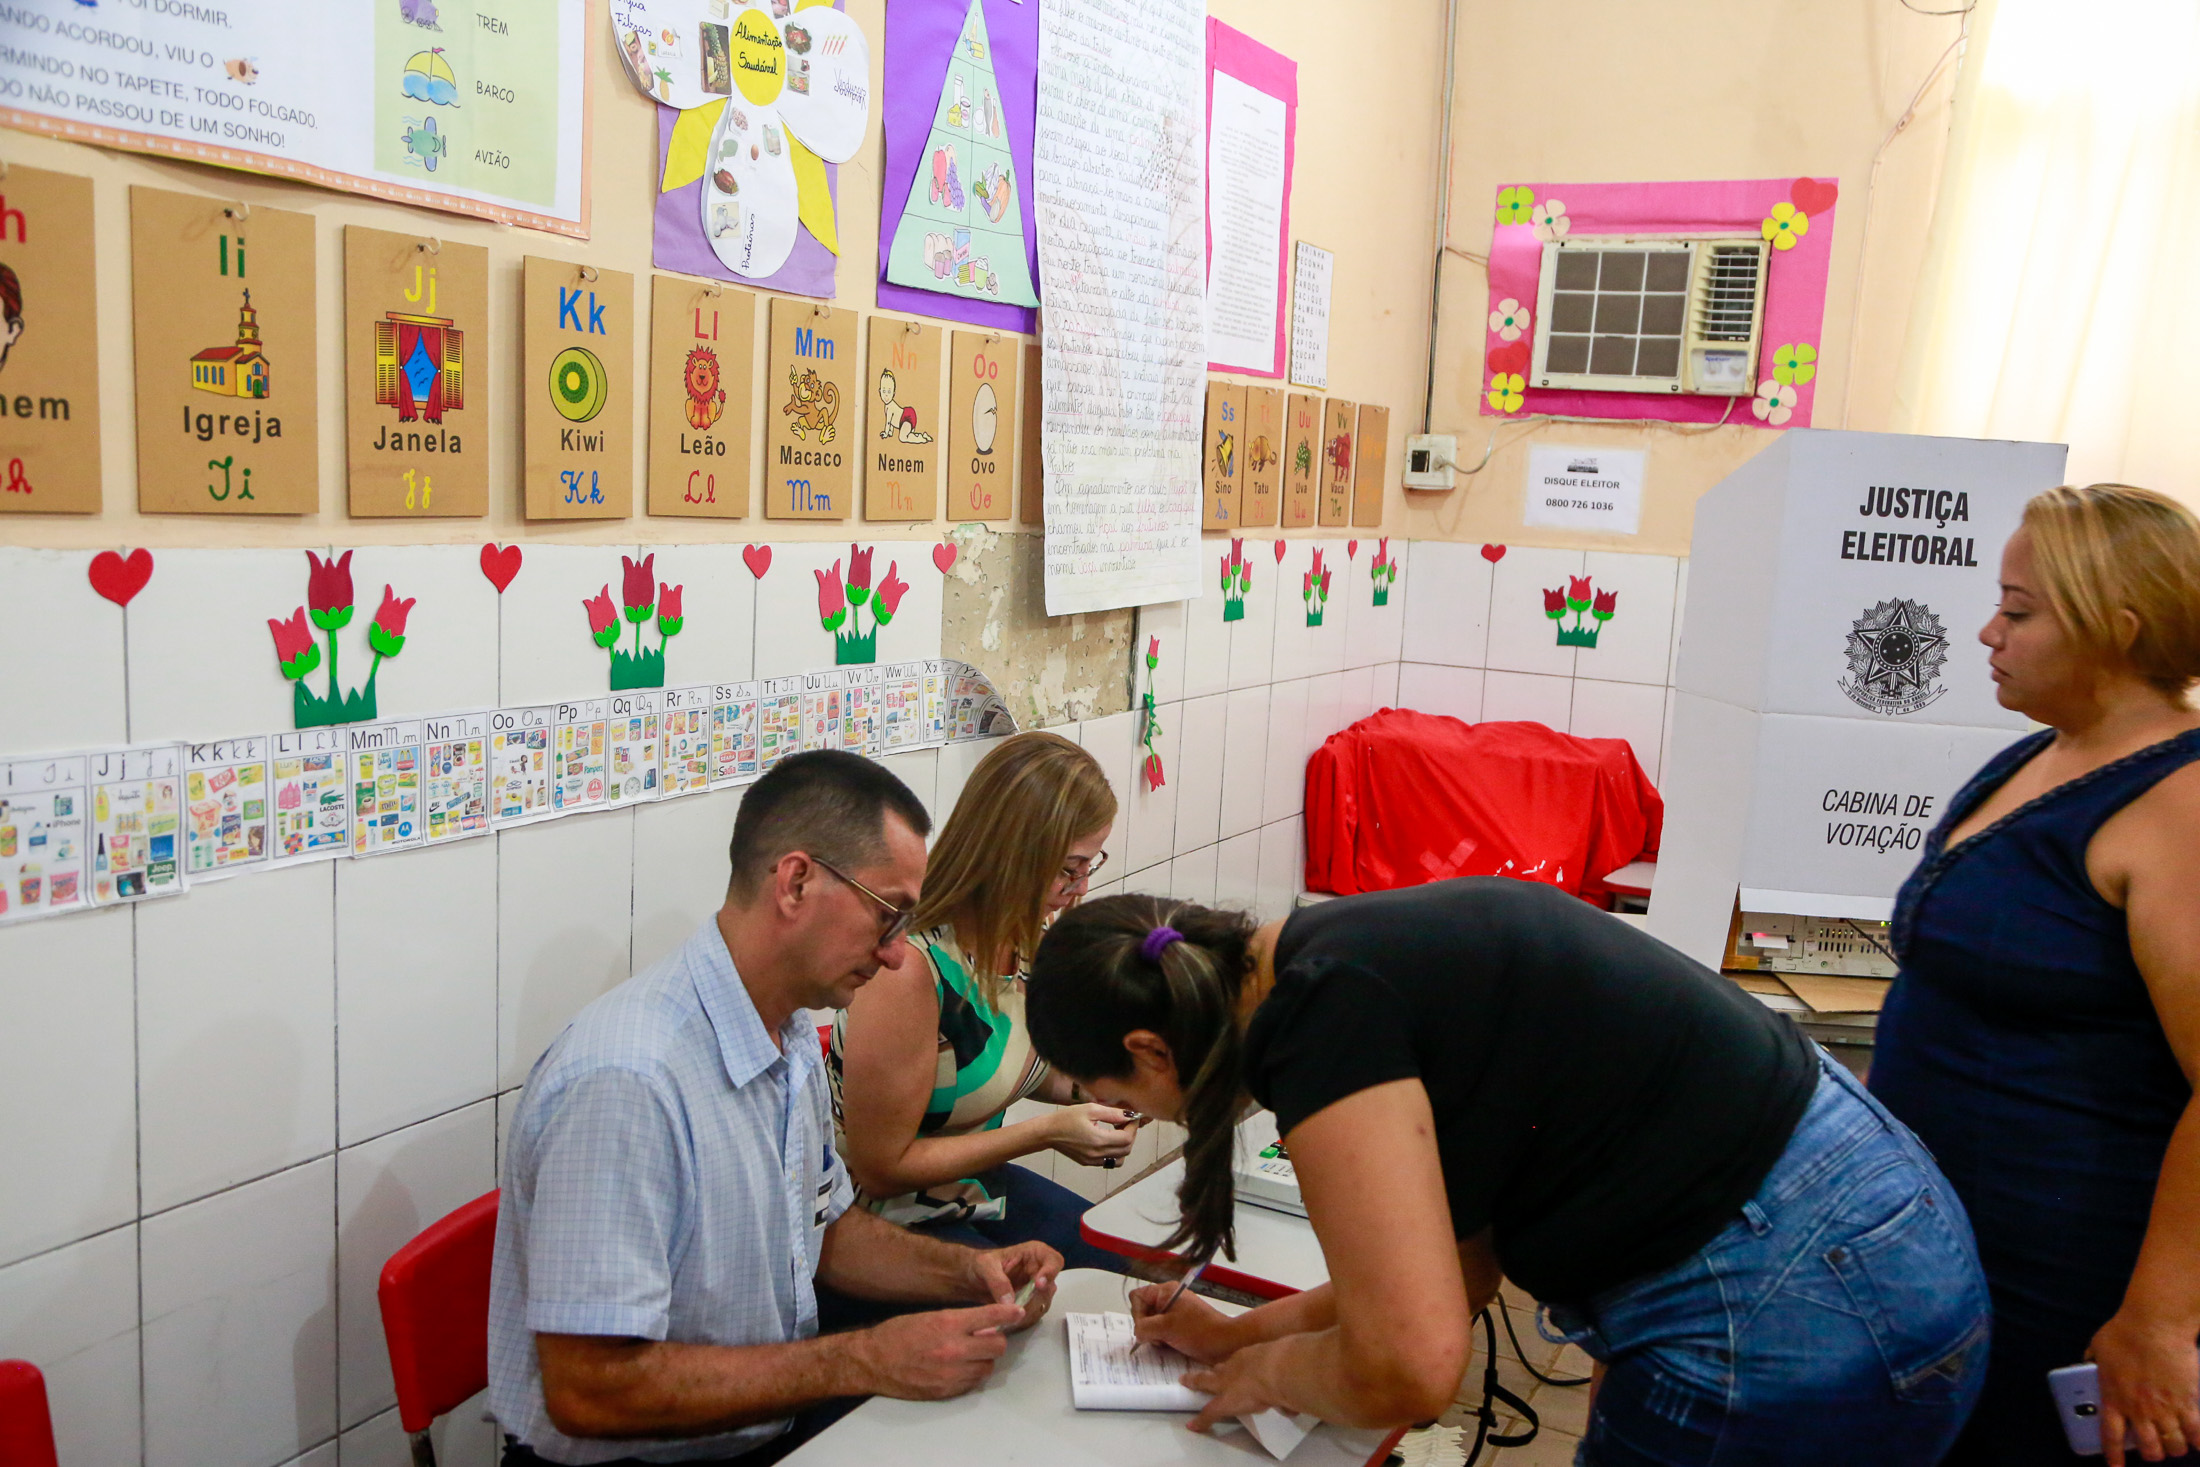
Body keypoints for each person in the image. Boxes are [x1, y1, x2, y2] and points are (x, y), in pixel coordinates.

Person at [1026, 882, 1993, 1466]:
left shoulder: (1321, 1024)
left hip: (1800, 1296)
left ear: (1152, 1051)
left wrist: (1265, 1374)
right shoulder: (1334, 954)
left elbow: (1408, 1368)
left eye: (1125, 1094)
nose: (1145, 1116)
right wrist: (1241, 1334)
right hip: (1887, 1240)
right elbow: (1458, 1277)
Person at [488, 751, 1061, 1467]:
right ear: (795, 881)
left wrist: (969, 1272)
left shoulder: (786, 1028)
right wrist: (863, 1358)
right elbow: (591, 1389)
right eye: (888, 916)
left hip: (756, 1427)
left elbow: (828, 1231)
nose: (893, 954)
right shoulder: (628, 1081)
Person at [1870, 484, 2200, 1467]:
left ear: (2115, 628)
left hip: (2071, 1275)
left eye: (2018, 612)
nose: (1987, 630)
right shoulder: (2039, 757)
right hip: (1955, 1255)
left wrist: (2156, 1321)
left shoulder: (2177, 806)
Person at [830, 731, 1136, 1274]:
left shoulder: (1020, 935)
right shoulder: (909, 969)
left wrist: (1101, 1091)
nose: (1081, 888)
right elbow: (881, 1169)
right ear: (1011, 851)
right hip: (877, 1217)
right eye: (1069, 868)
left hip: (966, 1188)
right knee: (1020, 1311)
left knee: (1131, 1269)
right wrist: (1045, 1133)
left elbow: (1002, 1064)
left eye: (1091, 864)